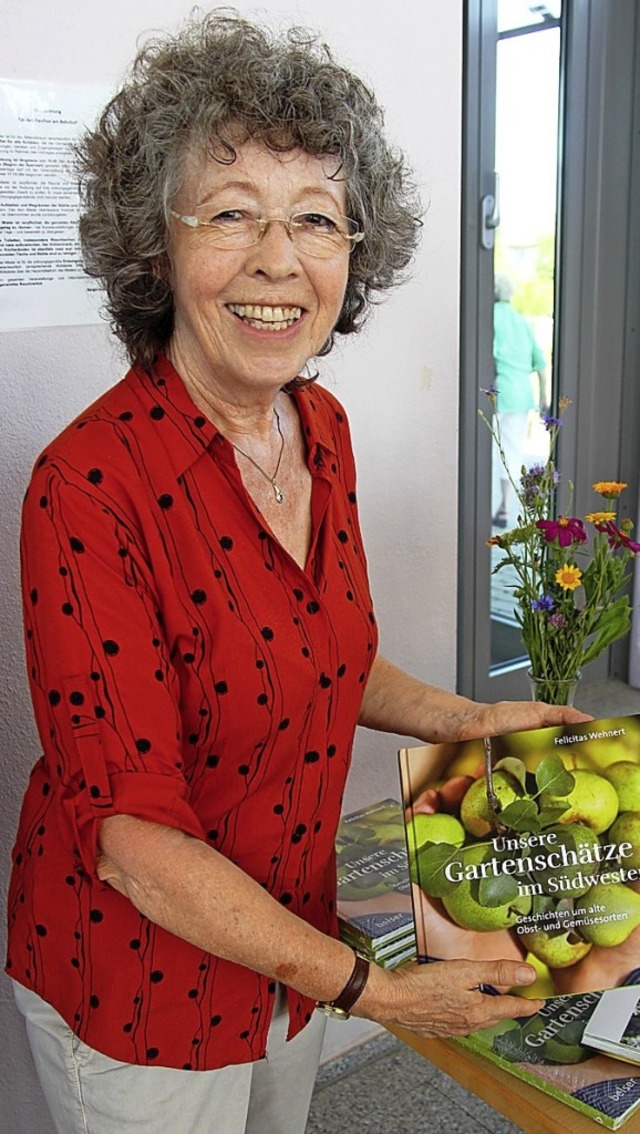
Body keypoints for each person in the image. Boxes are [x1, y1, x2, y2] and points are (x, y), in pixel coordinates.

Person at [6, 13, 590, 1134]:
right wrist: (372, 988)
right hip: (140, 990)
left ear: (352, 255)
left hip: (289, 948)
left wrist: (474, 719)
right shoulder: (86, 487)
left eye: (316, 220)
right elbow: (132, 842)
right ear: (156, 245)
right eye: (231, 213)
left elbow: (331, 655)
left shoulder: (318, 425)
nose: (279, 260)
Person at [492, 271, 549, 528]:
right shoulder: (521, 321)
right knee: (512, 451)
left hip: (495, 393)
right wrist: (544, 398)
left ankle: (482, 505)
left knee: (489, 452)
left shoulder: (489, 316)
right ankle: (504, 509)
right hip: (521, 394)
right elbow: (540, 363)